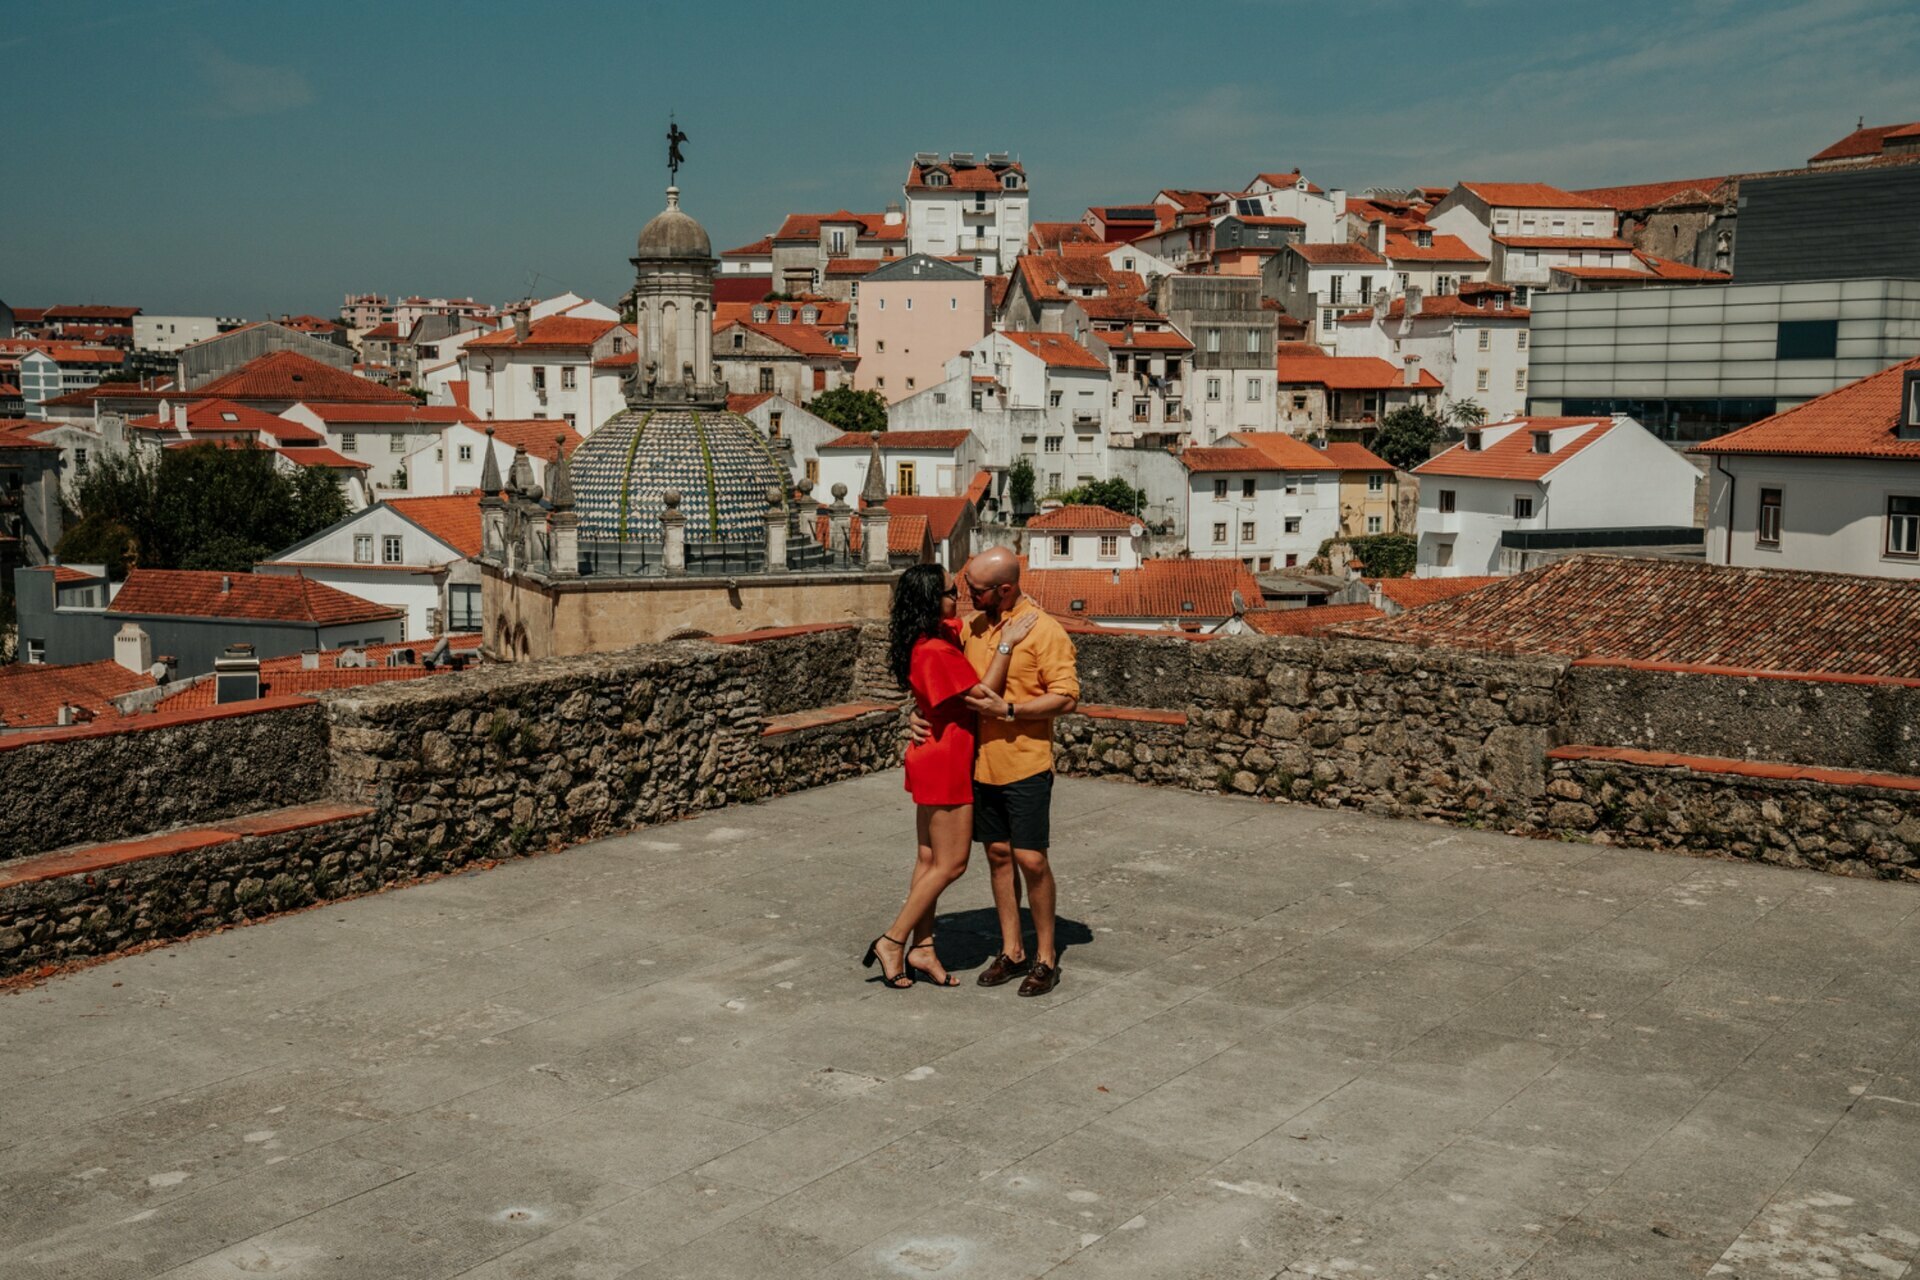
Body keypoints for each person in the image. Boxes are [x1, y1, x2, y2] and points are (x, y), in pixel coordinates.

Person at [914, 546, 1080, 997]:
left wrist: (1010, 709)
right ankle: (1012, 951)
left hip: (1025, 762)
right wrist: (913, 714)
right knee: (999, 857)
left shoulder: (1044, 631)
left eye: (977, 590)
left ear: (1004, 589)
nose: (968, 596)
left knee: (1031, 859)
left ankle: (1046, 956)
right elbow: (933, 672)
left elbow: (1066, 697)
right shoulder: (971, 628)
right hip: (979, 765)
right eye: (965, 588)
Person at [865, 563, 1036, 989]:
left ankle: (922, 949)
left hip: (930, 752)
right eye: (948, 591)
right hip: (947, 759)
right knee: (953, 863)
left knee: (928, 860)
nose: (955, 596)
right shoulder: (936, 650)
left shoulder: (932, 635)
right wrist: (1007, 646)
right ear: (928, 601)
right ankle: (893, 939)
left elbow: (975, 621)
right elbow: (986, 698)